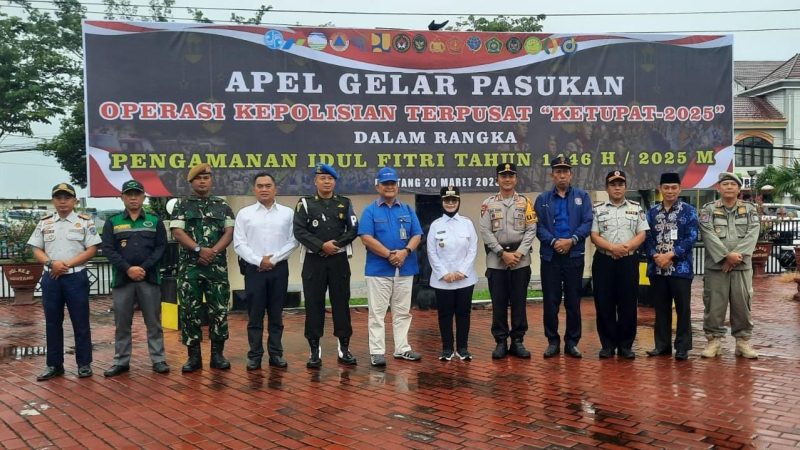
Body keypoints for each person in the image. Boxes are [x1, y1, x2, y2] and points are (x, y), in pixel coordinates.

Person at [28, 183, 102, 381]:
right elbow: (36, 249)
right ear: (53, 201)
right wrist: (52, 264)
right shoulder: (44, 222)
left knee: (81, 321)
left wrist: (66, 264)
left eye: (66, 198)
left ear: (74, 201)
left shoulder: (85, 222)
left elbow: (92, 249)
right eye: (58, 197)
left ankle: (84, 364)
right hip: (51, 278)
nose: (62, 201)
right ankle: (54, 364)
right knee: (52, 322)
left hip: (75, 277)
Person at [170, 163, 235, 372]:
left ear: (211, 180)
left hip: (216, 269)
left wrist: (212, 252)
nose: (202, 181)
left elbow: (229, 232)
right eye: (198, 178)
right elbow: (177, 232)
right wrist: (199, 250)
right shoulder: (182, 205)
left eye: (206, 177)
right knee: (190, 311)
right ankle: (193, 357)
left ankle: (218, 355)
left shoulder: (222, 205)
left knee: (219, 311)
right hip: (190, 269)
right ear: (191, 182)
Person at [101, 180, 170, 377]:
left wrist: (143, 268)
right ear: (122, 197)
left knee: (154, 322)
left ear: (143, 197)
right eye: (129, 194)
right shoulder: (112, 222)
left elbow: (160, 248)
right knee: (122, 323)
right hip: (123, 280)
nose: (133, 198)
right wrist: (128, 269)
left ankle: (158, 359)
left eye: (137, 194)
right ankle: (121, 361)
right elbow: (108, 249)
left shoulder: (154, 221)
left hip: (149, 279)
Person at [293, 164, 359, 368]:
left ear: (335, 182)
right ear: (315, 181)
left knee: (341, 304)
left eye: (330, 179)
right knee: (314, 306)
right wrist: (322, 245)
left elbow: (354, 228)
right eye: (322, 178)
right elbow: (299, 231)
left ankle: (344, 348)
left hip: (338, 261)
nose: (327, 182)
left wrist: (335, 245)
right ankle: (314, 351)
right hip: (314, 261)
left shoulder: (345, 203)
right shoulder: (305, 203)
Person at [358, 167, 423, 367]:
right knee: (377, 313)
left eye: (393, 183)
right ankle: (377, 352)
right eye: (385, 184)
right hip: (379, 270)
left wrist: (405, 252)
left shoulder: (406, 209)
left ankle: (402, 348)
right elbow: (366, 238)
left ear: (398, 186)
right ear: (377, 186)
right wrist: (388, 254)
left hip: (405, 267)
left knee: (403, 312)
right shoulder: (370, 210)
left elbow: (417, 235)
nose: (389, 187)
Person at [233, 172, 298, 369]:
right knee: (255, 315)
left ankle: (276, 354)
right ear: (254, 189)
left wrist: (274, 259)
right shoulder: (245, 214)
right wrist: (259, 260)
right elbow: (239, 244)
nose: (264, 189)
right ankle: (254, 355)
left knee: (276, 314)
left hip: (279, 270)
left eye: (268, 185)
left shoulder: (287, 213)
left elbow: (293, 240)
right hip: (254, 271)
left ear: (275, 189)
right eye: (260, 186)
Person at [534, 154, 593, 358]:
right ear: (552, 175)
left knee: (573, 301)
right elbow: (538, 226)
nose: (562, 175)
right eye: (558, 171)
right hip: (550, 256)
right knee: (550, 301)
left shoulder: (582, 196)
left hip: (574, 254)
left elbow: (587, 222)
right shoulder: (542, 199)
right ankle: (552, 341)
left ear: (571, 174)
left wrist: (572, 240)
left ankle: (572, 342)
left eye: (565, 171)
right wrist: (553, 242)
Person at [698, 172, 759, 359]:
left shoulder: (749, 209)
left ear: (739, 189)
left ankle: (742, 342)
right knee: (714, 305)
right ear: (719, 188)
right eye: (725, 184)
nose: (729, 187)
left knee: (742, 304)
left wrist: (735, 258)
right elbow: (708, 234)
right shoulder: (708, 210)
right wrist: (726, 256)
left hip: (741, 266)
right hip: (716, 267)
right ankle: (714, 341)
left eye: (733, 184)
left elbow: (753, 233)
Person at [479, 163, 537, 359]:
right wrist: (502, 253)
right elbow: (485, 231)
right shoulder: (488, 203)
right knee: (499, 303)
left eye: (511, 175)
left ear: (516, 179)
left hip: (520, 261)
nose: (507, 179)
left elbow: (531, 229)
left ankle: (518, 341)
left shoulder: (525, 202)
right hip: (497, 261)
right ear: (497, 179)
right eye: (503, 176)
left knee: (519, 302)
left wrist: (518, 253)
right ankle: (501, 341)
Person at [590, 170, 649, 359]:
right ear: (607, 188)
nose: (617, 187)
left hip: (628, 260)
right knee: (604, 303)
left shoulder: (636, 207)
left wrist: (626, 247)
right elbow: (594, 235)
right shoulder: (597, 209)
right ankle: (607, 345)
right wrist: (612, 248)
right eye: (613, 184)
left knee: (628, 304)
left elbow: (642, 233)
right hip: (604, 260)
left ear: (625, 187)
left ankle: (625, 345)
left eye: (620, 184)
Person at [644, 172, 699, 361]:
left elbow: (691, 237)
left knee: (683, 309)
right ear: (660, 189)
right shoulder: (652, 212)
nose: (670, 191)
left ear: (679, 189)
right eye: (666, 187)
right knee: (660, 308)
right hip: (657, 268)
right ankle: (662, 345)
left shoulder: (689, 210)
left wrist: (671, 255)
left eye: (673, 187)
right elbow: (647, 237)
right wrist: (655, 256)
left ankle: (682, 347)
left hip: (680, 269)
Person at [428, 186, 479, 361]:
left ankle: (463, 348)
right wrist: (444, 274)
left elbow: (472, 249)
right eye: (447, 200)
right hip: (443, 280)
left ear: (458, 202)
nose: (450, 203)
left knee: (464, 313)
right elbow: (431, 252)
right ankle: (447, 349)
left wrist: (461, 272)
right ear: (442, 202)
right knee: (445, 314)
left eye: (454, 200)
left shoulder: (467, 223)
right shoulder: (435, 225)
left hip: (464, 279)